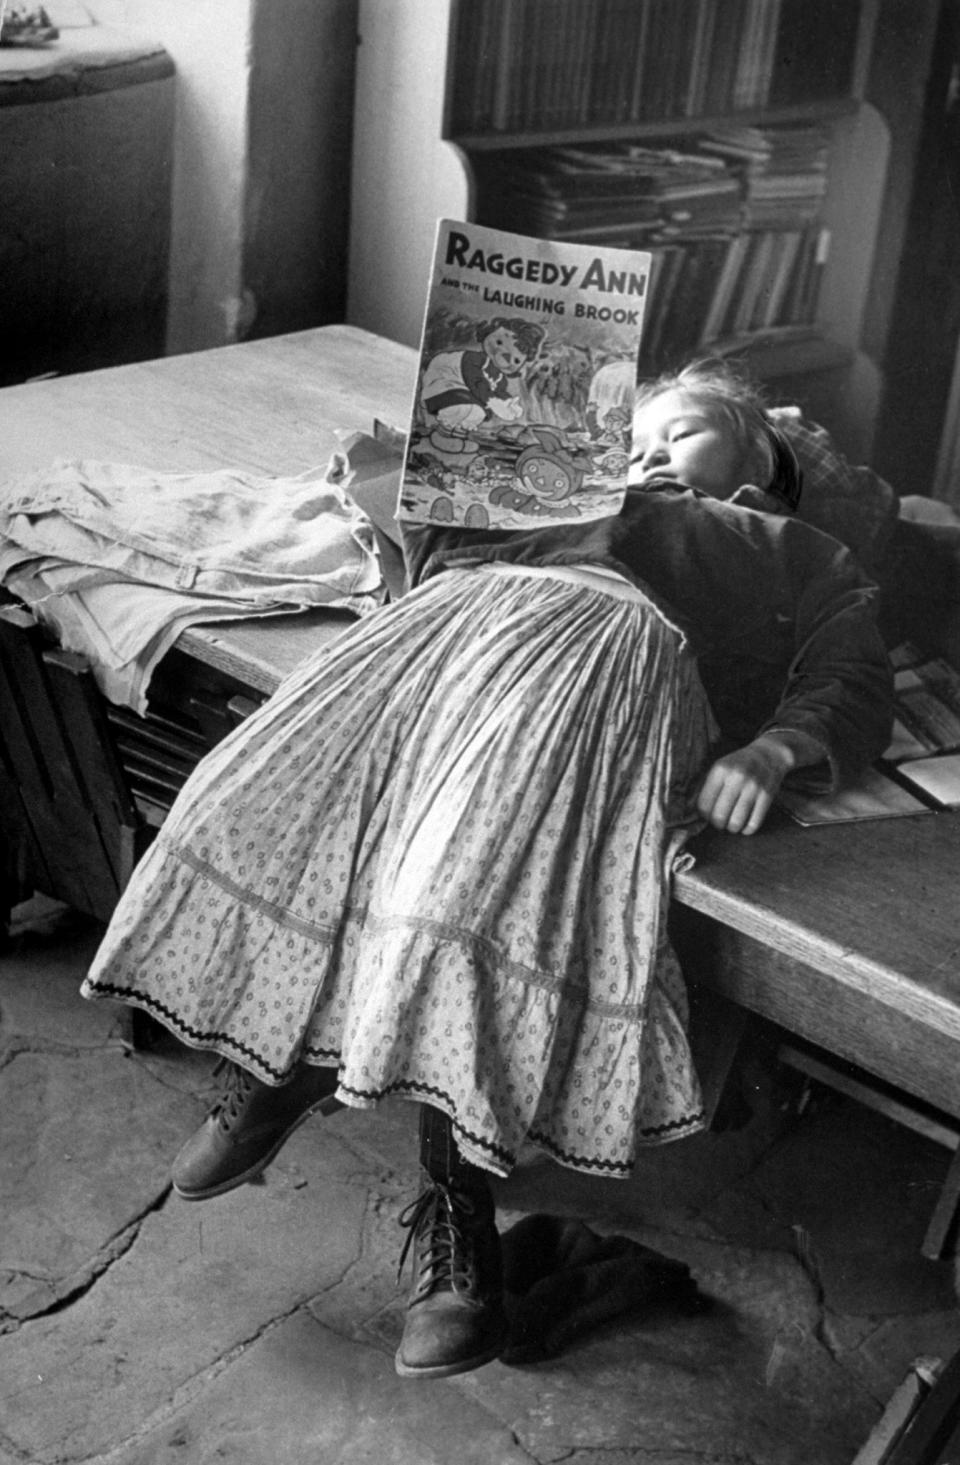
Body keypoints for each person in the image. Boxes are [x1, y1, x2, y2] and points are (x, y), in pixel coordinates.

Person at [81, 358, 893, 1380]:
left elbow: (853, 679)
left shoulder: (791, 547)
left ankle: (454, 1233)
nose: (645, 451)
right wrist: (472, 454)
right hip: (457, 631)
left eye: (678, 433)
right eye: (630, 434)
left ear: (763, 454)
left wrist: (777, 749)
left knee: (465, 892)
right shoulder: (568, 500)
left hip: (611, 658)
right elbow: (406, 525)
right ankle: (280, 1058)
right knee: (259, 791)